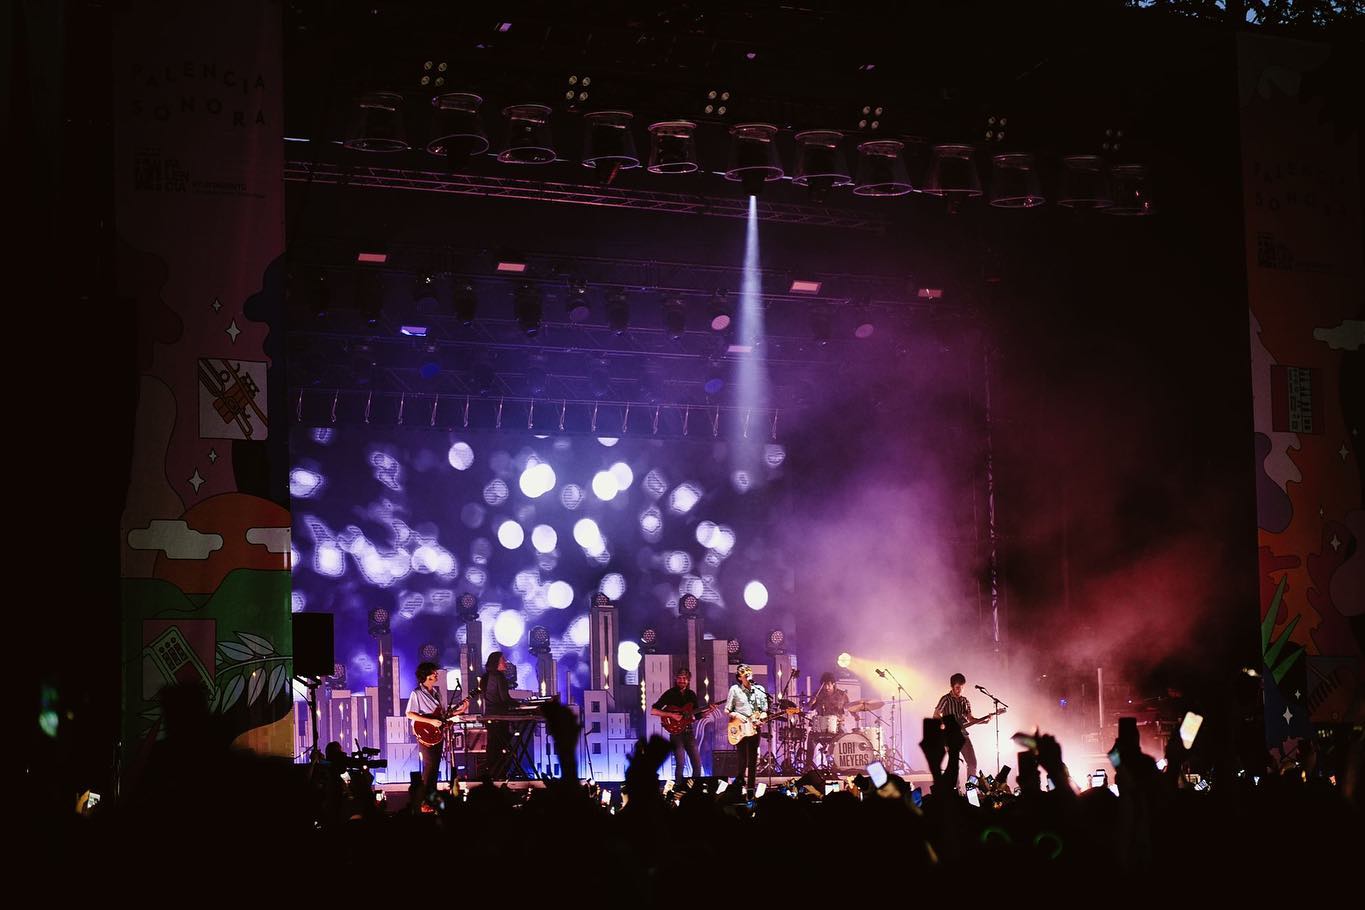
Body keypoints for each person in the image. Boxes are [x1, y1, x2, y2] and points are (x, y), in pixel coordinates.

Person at [405, 662, 466, 812]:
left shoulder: (437, 694)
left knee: (435, 767)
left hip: (437, 734)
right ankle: (424, 801)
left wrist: (460, 711)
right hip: (425, 734)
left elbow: (443, 715)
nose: (436, 675)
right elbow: (409, 713)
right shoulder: (417, 693)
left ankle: (430, 800)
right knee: (430, 766)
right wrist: (430, 721)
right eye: (433, 672)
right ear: (426, 675)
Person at [932, 672, 996, 784]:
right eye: (957, 688)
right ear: (952, 687)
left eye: (962, 688)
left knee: (972, 763)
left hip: (963, 735)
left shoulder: (965, 701)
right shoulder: (945, 699)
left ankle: (970, 789)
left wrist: (984, 721)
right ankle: (955, 793)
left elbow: (971, 719)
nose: (959, 690)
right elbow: (936, 715)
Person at [650, 667, 706, 787]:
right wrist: (671, 715)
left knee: (697, 764)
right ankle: (679, 789)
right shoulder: (670, 694)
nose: (682, 681)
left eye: (684, 679)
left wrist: (706, 713)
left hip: (689, 732)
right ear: (676, 679)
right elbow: (654, 711)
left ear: (688, 680)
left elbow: (695, 715)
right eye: (680, 678)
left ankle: (695, 789)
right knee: (680, 763)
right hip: (676, 735)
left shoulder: (691, 695)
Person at [726, 664, 769, 792]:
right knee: (742, 759)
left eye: (750, 673)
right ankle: (739, 786)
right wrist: (738, 715)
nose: (748, 676)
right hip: (739, 727)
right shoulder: (734, 689)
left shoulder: (759, 689)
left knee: (753, 759)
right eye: (745, 674)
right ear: (740, 677)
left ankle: (751, 788)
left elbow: (764, 710)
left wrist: (761, 717)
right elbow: (727, 710)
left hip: (754, 728)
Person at [479, 651, 514, 779]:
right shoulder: (499, 677)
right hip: (500, 716)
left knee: (492, 744)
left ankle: (492, 772)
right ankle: (500, 774)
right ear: (497, 663)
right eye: (503, 660)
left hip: (490, 716)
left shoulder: (486, 677)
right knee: (501, 745)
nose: (505, 662)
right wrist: (519, 705)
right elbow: (504, 699)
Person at [807, 671, 848, 768]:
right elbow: (808, 708)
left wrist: (855, 714)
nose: (826, 687)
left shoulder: (842, 695)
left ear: (833, 684)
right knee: (811, 737)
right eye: (824, 685)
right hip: (821, 727)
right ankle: (809, 765)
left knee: (845, 737)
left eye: (828, 685)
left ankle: (839, 764)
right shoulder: (818, 694)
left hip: (838, 726)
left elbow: (850, 707)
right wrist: (811, 702)